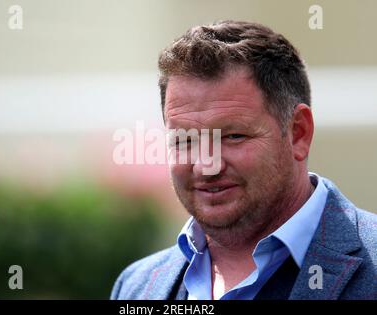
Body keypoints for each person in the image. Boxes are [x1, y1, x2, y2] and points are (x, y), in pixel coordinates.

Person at [110, 21, 376, 300]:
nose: (206, 165)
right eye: (185, 140)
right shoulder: (136, 288)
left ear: (298, 133)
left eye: (233, 136)